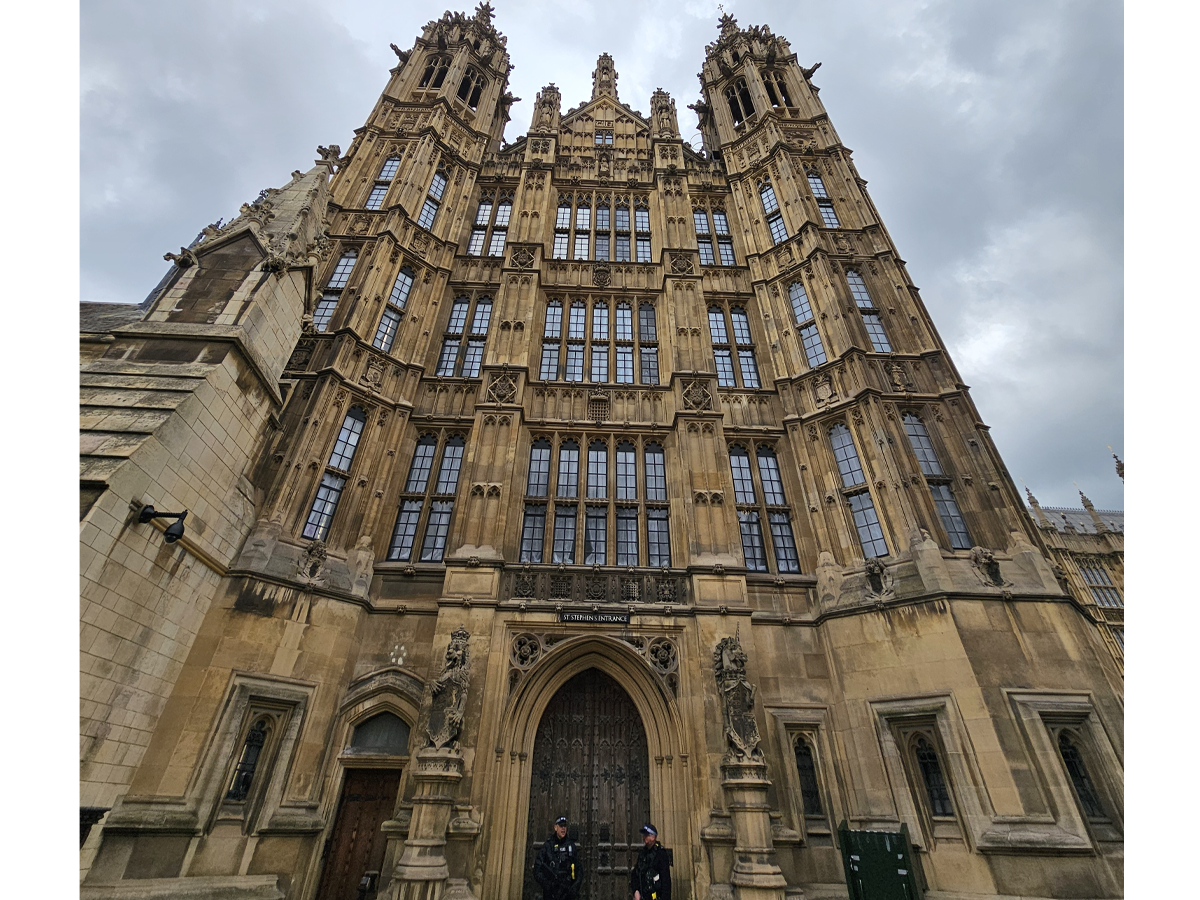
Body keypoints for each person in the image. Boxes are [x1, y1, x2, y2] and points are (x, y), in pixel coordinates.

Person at [534, 815, 581, 900]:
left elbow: (579, 868)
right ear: (555, 827)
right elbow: (537, 869)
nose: (563, 829)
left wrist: (575, 888)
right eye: (561, 826)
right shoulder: (548, 846)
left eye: (565, 826)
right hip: (551, 894)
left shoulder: (571, 846)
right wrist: (547, 885)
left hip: (567, 893)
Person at [630, 824, 671, 900]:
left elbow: (665, 880)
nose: (644, 837)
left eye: (646, 835)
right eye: (644, 835)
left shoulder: (660, 854)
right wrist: (635, 891)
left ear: (653, 837)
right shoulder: (642, 853)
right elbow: (635, 874)